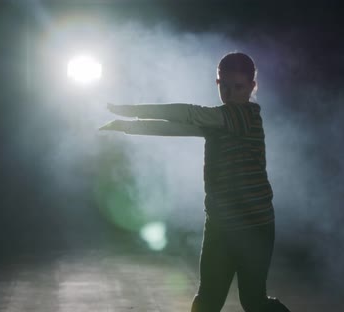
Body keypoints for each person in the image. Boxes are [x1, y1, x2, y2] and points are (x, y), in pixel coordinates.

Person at [99, 52, 291, 312]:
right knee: (207, 301)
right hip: (220, 225)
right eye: (224, 85)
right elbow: (174, 127)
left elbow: (188, 113)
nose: (230, 93)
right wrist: (125, 125)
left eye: (238, 87)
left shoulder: (244, 116)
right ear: (217, 83)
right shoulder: (218, 121)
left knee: (253, 301)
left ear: (252, 87)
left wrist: (131, 111)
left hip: (253, 228)